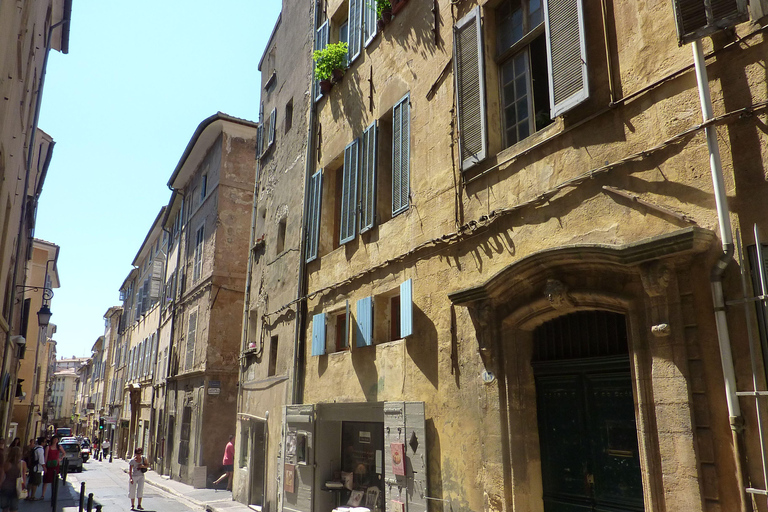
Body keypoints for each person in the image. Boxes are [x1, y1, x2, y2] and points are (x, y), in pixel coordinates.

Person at [0, 446, 27, 512]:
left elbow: (2, 476)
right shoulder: (23, 464)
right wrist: (24, 486)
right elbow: (24, 476)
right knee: (14, 508)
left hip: (5, 486)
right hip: (16, 487)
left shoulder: (6, 463)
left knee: (5, 508)